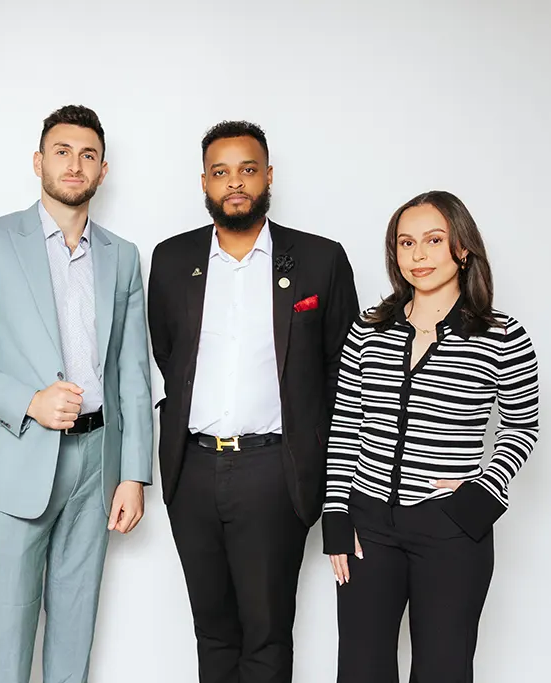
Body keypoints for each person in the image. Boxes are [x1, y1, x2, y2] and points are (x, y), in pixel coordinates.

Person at [0, 104, 153, 683]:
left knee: (76, 626)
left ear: (103, 169)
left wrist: (134, 473)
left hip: (98, 463)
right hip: (19, 453)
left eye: (87, 155)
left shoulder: (122, 256)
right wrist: (29, 401)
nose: (74, 165)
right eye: (62, 152)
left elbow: (132, 371)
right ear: (38, 162)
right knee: (9, 625)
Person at [148, 120, 358, 683]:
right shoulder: (172, 259)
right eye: (220, 172)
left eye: (247, 169)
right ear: (204, 182)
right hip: (192, 469)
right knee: (213, 633)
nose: (234, 182)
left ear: (268, 176)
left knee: (265, 635)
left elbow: (343, 373)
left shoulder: (319, 259)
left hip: (274, 470)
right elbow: (169, 355)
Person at [323, 190, 540, 683]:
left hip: (450, 528)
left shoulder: (502, 336)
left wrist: (484, 490)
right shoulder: (368, 329)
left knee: (443, 670)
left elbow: (521, 425)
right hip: (368, 528)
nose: (418, 255)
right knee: (360, 670)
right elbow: (345, 425)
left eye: (434, 240)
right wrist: (336, 512)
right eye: (406, 243)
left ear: (462, 248)